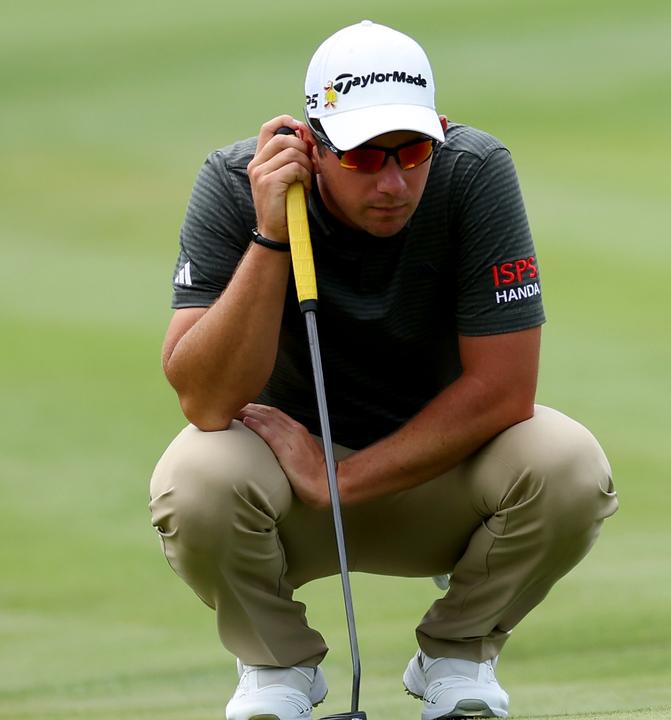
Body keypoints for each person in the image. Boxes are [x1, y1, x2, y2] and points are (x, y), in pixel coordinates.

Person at [149, 20, 619, 720]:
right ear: (310, 145)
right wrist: (272, 234)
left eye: (413, 151)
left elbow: (505, 389)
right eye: (365, 158)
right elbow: (206, 400)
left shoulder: (474, 172)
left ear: (441, 131)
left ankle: (456, 657)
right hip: (283, 494)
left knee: (570, 466)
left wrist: (338, 480)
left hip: (438, 478)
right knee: (194, 481)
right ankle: (278, 670)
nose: (394, 182)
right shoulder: (235, 182)